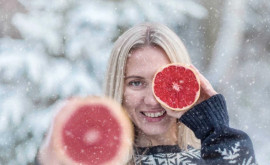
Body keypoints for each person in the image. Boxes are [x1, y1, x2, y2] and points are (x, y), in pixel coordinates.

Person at [36, 23, 257, 165]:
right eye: (136, 83)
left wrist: (216, 131)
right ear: (118, 88)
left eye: (165, 83)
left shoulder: (213, 154)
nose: (151, 100)